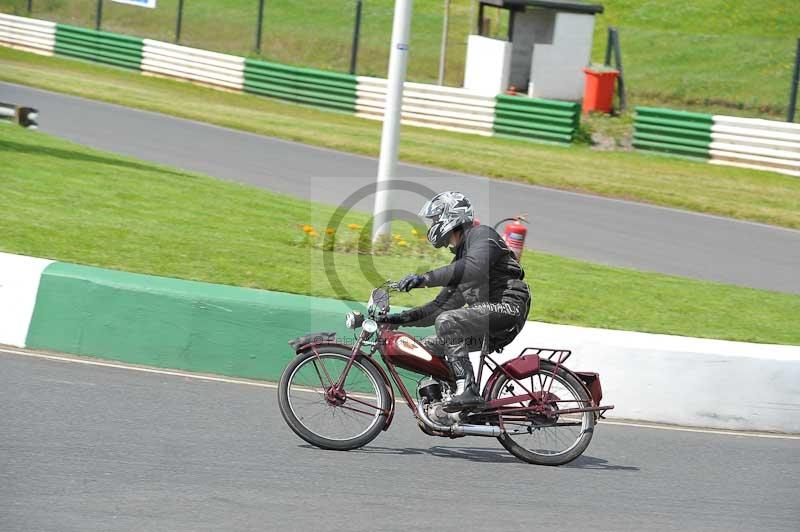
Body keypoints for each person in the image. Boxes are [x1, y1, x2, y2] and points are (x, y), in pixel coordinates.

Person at [378, 191, 531, 412]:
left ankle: (467, 389)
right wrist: (399, 319)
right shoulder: (460, 260)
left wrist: (425, 279)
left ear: (451, 216)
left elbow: (473, 267)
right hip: (485, 315)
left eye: (435, 219)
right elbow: (440, 306)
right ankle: (457, 404)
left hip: (507, 306)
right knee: (427, 347)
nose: (433, 225)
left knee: (447, 322)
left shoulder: (482, 236)